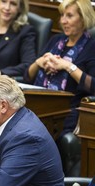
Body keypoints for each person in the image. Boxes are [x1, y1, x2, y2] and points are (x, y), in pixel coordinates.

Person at [24, 0, 95, 140]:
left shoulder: (92, 47)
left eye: (69, 16)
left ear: (83, 18)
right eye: (62, 15)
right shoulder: (56, 40)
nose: (63, 21)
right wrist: (39, 62)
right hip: (39, 102)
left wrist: (67, 66)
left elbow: (93, 86)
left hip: (66, 112)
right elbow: (27, 77)